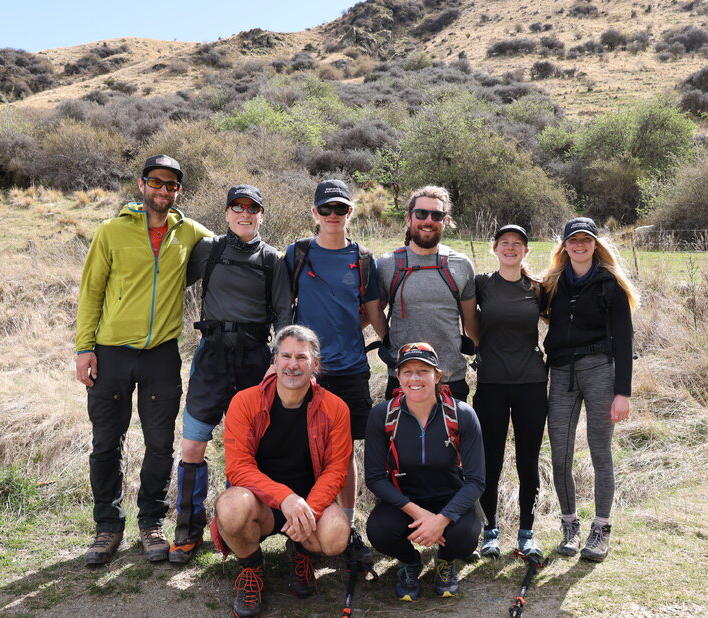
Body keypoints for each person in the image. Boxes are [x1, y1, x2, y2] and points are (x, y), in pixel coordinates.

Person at [75, 155, 212, 565]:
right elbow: (91, 292)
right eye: (156, 182)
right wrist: (84, 348)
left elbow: (230, 246)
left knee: (159, 444)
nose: (163, 191)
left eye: (171, 185)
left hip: (162, 355)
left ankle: (151, 523)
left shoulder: (188, 233)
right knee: (105, 443)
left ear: (178, 192)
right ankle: (107, 527)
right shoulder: (111, 231)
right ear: (142, 184)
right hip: (111, 352)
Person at [172, 185, 292, 564]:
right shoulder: (209, 250)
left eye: (252, 208)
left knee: (246, 449)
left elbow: (285, 314)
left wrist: (280, 360)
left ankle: (231, 530)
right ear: (226, 214)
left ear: (261, 215)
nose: (245, 214)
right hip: (210, 358)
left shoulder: (274, 260)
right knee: (192, 445)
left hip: (255, 361)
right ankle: (187, 530)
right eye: (237, 207)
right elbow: (170, 277)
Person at [211, 325, 352, 618]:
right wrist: (285, 498)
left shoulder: (335, 408)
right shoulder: (245, 402)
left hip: (309, 503)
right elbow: (238, 467)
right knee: (231, 506)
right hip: (260, 504)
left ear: (315, 365)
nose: (292, 364)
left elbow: (336, 469)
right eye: (285, 356)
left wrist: (308, 511)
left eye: (301, 357)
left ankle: (300, 550)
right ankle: (251, 568)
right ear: (274, 361)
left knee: (337, 535)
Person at [284, 179, 388, 558]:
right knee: (301, 449)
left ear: (350, 213)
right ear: (314, 213)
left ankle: (344, 525)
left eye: (340, 209)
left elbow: (373, 309)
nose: (332, 216)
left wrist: (390, 343)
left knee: (342, 454)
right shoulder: (296, 254)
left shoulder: (362, 259)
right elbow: (284, 311)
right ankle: (305, 528)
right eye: (325, 209)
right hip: (306, 371)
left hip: (350, 369)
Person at [540, 217, 638, 563]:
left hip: (600, 371)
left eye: (586, 240)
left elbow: (625, 342)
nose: (580, 245)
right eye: (573, 240)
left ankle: (600, 529)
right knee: (560, 453)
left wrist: (622, 392)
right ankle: (569, 525)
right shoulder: (551, 283)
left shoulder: (609, 283)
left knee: (600, 452)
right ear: (564, 246)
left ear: (595, 244)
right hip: (562, 373)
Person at [364, 342, 485, 600]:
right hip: (404, 501)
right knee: (379, 530)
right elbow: (374, 478)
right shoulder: (382, 415)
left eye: (423, 370)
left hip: (450, 499)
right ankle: (410, 561)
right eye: (407, 371)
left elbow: (475, 480)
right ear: (398, 377)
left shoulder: (461, 414)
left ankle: (445, 560)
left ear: (437, 375)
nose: (415, 378)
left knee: (465, 536)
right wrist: (420, 515)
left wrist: (441, 520)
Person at [472, 224, 548, 559]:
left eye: (518, 244)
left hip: (531, 383)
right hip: (491, 383)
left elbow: (561, 324)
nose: (511, 248)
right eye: (505, 243)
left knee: (528, 462)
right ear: (495, 248)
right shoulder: (482, 284)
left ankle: (526, 532)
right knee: (490, 460)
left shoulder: (539, 288)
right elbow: (464, 321)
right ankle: (490, 531)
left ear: (526, 251)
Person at [376, 186, 478, 401]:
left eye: (437, 215)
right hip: (403, 379)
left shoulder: (461, 264)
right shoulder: (387, 264)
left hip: (451, 379)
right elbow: (374, 312)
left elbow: (471, 321)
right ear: (409, 219)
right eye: (421, 213)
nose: (428, 220)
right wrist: (391, 344)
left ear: (445, 220)